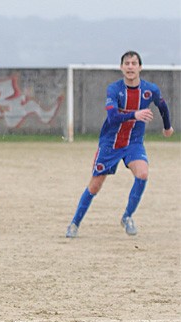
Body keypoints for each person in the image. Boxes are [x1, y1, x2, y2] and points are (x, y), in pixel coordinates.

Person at [66, 51, 174, 238]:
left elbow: (162, 106)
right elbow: (113, 117)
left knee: (143, 174)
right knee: (95, 185)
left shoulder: (150, 90)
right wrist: (135, 114)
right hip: (111, 143)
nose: (130, 66)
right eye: (127, 63)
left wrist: (167, 127)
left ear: (140, 67)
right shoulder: (114, 90)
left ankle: (127, 217)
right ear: (121, 67)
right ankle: (75, 223)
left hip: (134, 143)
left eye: (134, 63)